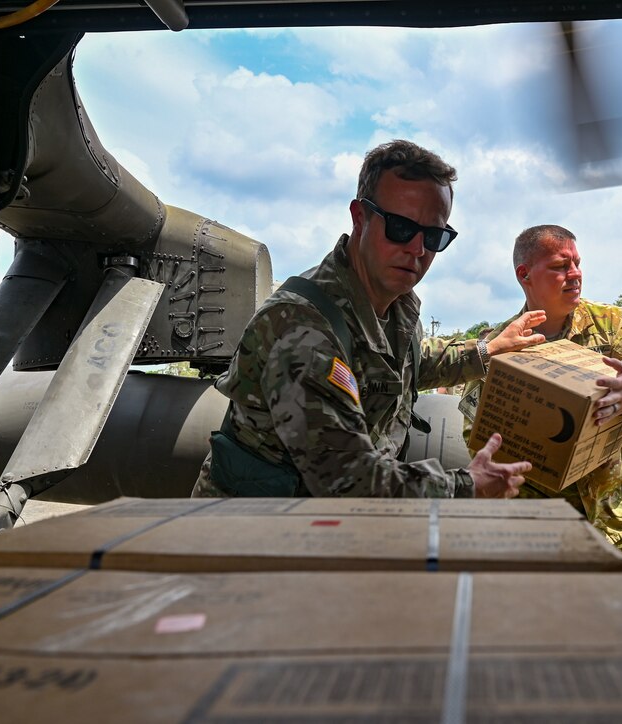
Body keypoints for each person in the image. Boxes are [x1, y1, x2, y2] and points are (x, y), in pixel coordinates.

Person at [193, 139, 546, 499]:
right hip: (249, 534)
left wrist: (487, 350)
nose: (417, 249)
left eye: (434, 236)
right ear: (359, 217)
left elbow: (407, 364)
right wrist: (467, 486)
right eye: (401, 228)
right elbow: (348, 479)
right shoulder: (300, 327)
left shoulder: (397, 308)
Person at [459, 224, 622, 617]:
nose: (575, 274)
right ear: (524, 275)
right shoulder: (501, 345)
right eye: (561, 266)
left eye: (577, 263)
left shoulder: (614, 328)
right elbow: (476, 433)